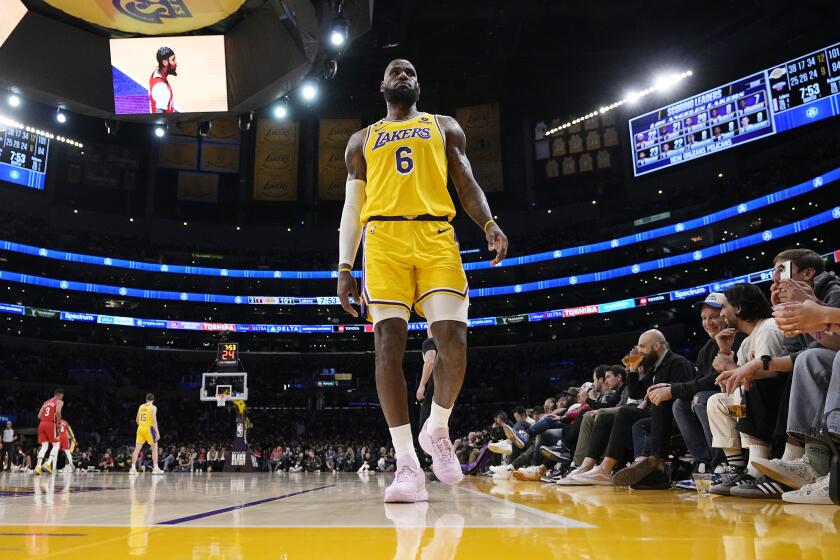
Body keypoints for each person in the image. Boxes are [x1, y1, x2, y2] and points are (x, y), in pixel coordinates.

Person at [336, 59, 508, 503]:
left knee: (453, 342)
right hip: (383, 240)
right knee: (388, 345)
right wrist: (344, 267)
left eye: (410, 71)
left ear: (418, 84)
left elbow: (466, 182)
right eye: (394, 70)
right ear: (382, 84)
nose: (402, 74)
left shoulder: (444, 126)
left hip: (435, 236)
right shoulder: (362, 139)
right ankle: (406, 462)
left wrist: (487, 221)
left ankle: (436, 428)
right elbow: (352, 208)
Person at [129, 393, 164, 475]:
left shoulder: (141, 406)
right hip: (149, 428)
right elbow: (154, 420)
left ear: (146, 399)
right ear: (153, 400)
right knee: (155, 448)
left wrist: (142, 425)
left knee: (137, 449)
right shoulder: (153, 407)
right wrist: (157, 432)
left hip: (140, 428)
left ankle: (132, 468)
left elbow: (137, 420)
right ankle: (155, 468)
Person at [34, 388, 64, 475]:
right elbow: (58, 412)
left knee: (44, 446)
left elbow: (39, 416)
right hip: (51, 424)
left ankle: (38, 466)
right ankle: (48, 463)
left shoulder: (46, 402)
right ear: (61, 395)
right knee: (56, 444)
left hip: (42, 424)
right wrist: (58, 423)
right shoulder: (59, 401)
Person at [417, 329, 437, 431]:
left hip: (436, 388)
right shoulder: (451, 343)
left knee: (426, 430)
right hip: (451, 390)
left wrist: (422, 385)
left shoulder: (430, 342)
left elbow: (430, 362)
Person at [149, 46, 178, 113]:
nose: (175, 63)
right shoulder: (161, 87)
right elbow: (160, 115)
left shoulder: (156, 73)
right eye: (173, 60)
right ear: (165, 62)